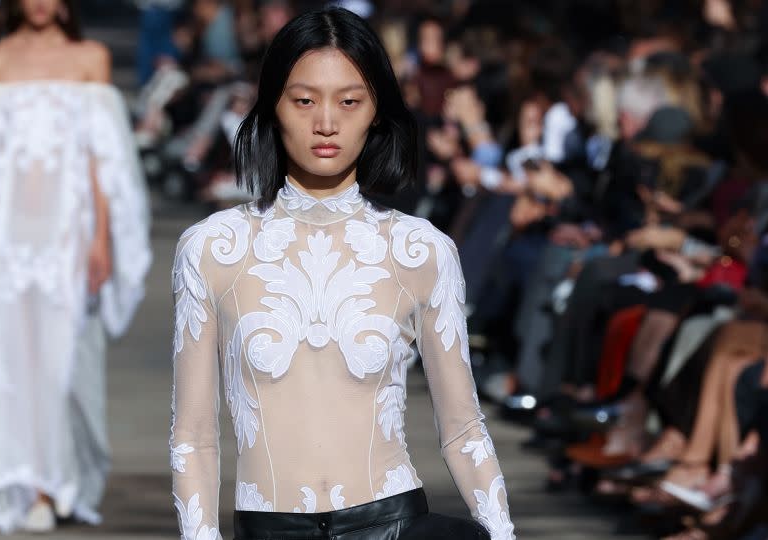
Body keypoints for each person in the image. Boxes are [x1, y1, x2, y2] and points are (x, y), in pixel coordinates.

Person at [170, 8, 514, 540]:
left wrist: (504, 534)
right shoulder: (214, 249)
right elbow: (193, 433)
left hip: (393, 525)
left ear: (376, 110)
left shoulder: (419, 251)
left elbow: (464, 428)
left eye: (349, 101)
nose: (326, 122)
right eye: (304, 100)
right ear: (273, 107)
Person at [0, 0, 152, 533]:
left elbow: (103, 158)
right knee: (5, 362)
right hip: (1, 238)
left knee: (61, 366)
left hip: (67, 236)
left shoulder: (90, 59)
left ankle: (55, 479)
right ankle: (13, 481)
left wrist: (102, 237)